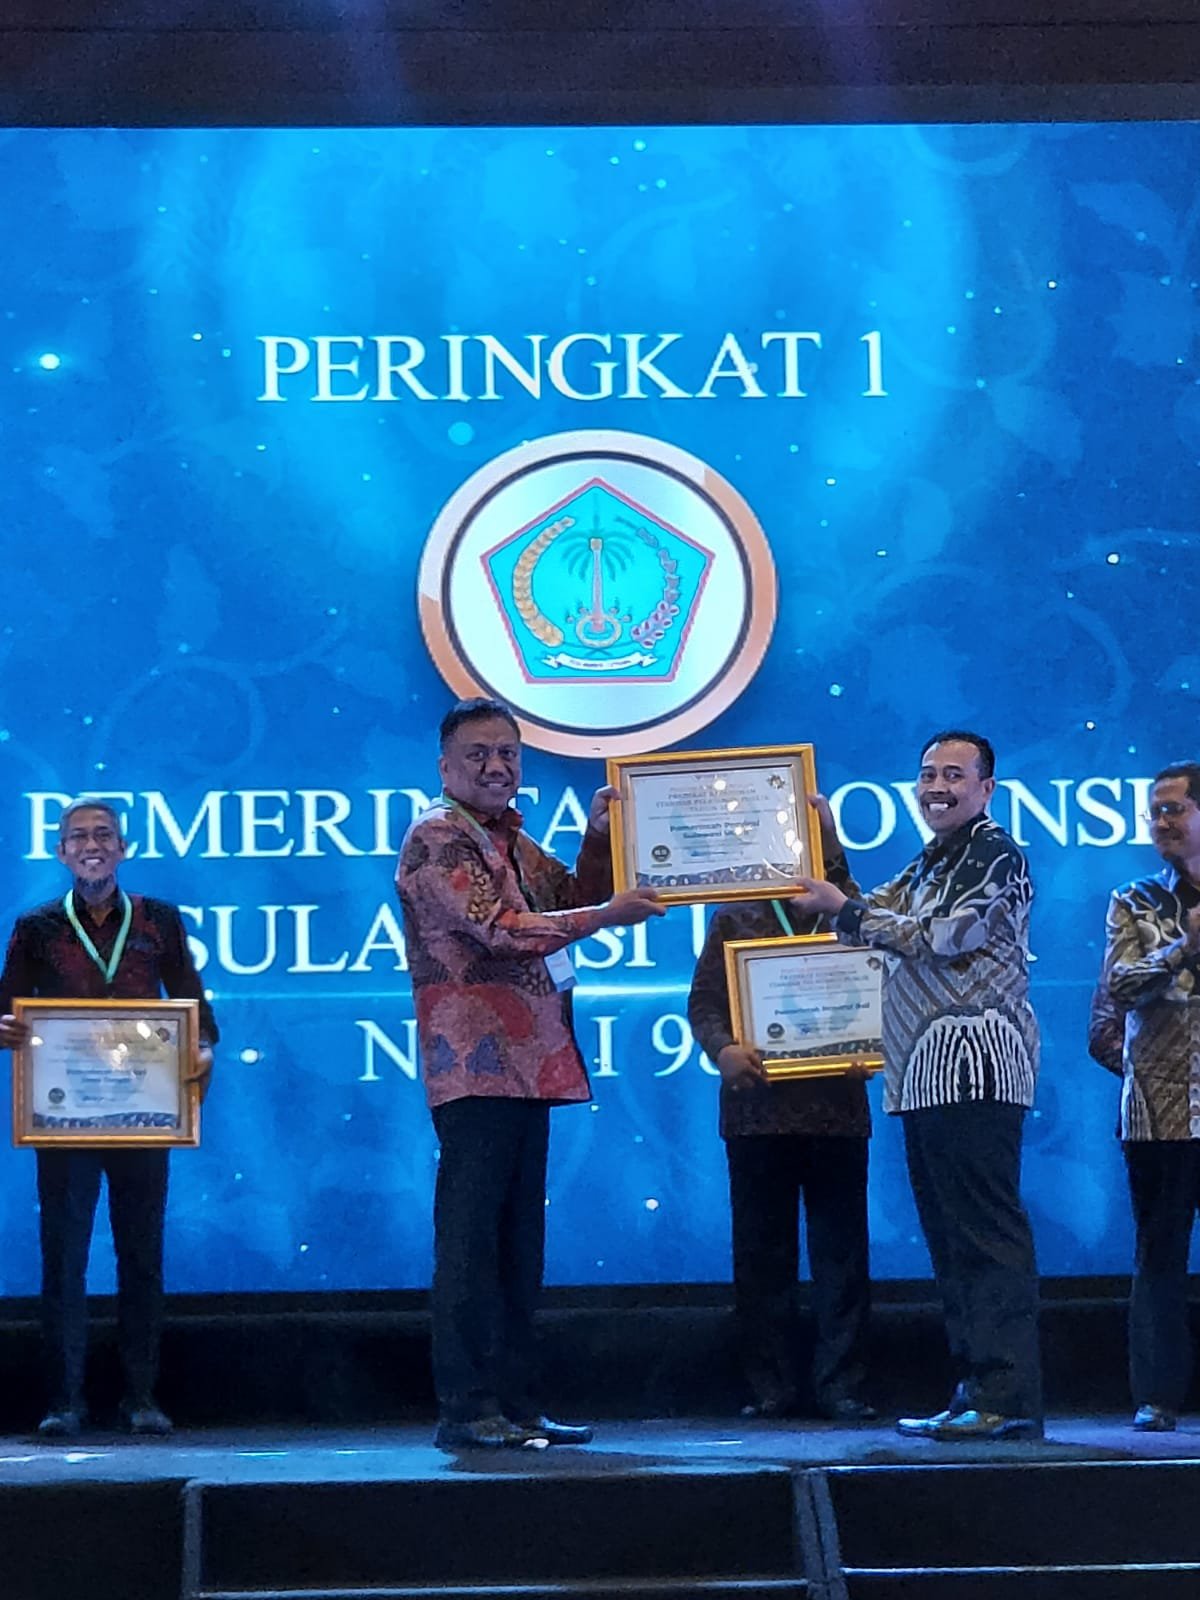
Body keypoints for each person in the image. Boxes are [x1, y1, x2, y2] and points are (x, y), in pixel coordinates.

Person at [396, 697, 665, 1451]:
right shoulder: (439, 836)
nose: (496, 766)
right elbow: (502, 930)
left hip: (529, 1062)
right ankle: (466, 1406)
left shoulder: (509, 837)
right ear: (445, 766)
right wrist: (606, 917)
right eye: (479, 754)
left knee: (518, 1241)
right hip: (475, 1063)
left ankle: (516, 1403)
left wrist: (600, 837)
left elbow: (569, 897)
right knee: (472, 1241)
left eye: (508, 753)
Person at [795, 731, 1043, 1440]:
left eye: (954, 775)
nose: (938, 786)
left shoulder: (994, 852)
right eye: (928, 773)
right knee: (951, 1240)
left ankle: (1008, 1396)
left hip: (975, 1065)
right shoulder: (931, 860)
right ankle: (976, 1388)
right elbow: (857, 921)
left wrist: (847, 910)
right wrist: (825, 845)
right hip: (925, 1076)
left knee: (985, 1237)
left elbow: (947, 936)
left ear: (986, 789)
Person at [0, 798, 215, 1438]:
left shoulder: (158, 920)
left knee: (141, 1254)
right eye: (78, 837)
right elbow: (7, 1008)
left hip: (143, 1113)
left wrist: (202, 1048)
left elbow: (193, 1005)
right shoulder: (37, 926)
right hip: (66, 1117)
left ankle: (141, 1397)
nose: (91, 845)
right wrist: (6, 1028)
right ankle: (64, 1401)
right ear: (61, 852)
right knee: (64, 1258)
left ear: (123, 848)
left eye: (103, 835)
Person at [687, 795, 876, 1424]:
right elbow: (704, 1002)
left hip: (837, 1108)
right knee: (761, 1255)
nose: (800, 846)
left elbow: (886, 988)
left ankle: (841, 1386)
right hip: (756, 1110)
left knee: (842, 1256)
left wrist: (873, 1044)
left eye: (812, 834)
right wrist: (723, 1049)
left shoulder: (856, 912)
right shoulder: (736, 911)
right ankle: (770, 1387)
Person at [1101, 759, 1200, 1433]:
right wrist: (1182, 950)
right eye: (1154, 812)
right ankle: (1158, 1394)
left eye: (1174, 809)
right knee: (1159, 1252)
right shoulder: (1134, 900)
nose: (1161, 822)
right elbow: (1120, 986)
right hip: (1158, 1109)